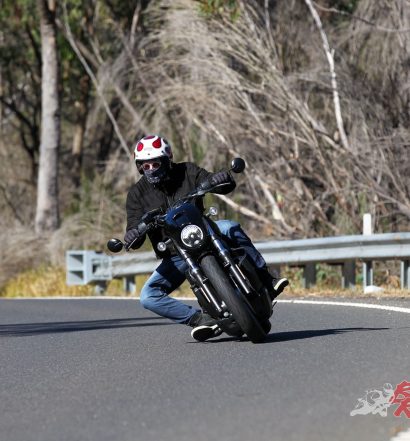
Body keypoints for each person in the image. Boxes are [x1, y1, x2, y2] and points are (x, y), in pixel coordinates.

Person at [124, 135, 289, 341]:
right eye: (145, 165)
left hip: (205, 232)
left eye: (156, 163)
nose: (151, 168)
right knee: (148, 296)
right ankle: (201, 319)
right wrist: (132, 234)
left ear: (167, 160)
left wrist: (220, 179)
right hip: (176, 253)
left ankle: (267, 279)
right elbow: (133, 229)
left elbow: (218, 183)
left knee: (229, 226)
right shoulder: (136, 194)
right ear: (139, 167)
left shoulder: (187, 171)